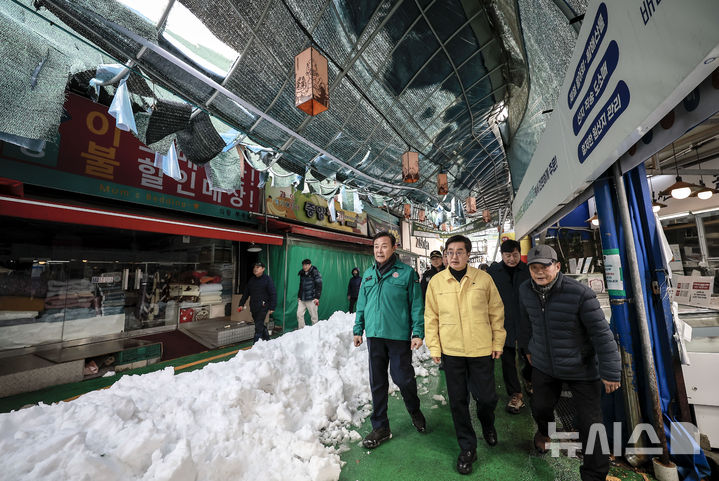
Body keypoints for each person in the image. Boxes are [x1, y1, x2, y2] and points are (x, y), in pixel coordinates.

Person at [518, 244, 621, 481]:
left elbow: (601, 334)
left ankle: (594, 475)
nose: (539, 272)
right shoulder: (525, 290)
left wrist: (611, 371)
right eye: (534, 268)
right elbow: (525, 322)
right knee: (540, 407)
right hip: (544, 364)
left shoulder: (580, 294)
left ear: (557, 266)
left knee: (591, 423)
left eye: (544, 267)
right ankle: (544, 432)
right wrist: (528, 349)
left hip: (581, 368)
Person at [425, 234, 506, 475]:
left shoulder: (483, 279)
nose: (454, 256)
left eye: (460, 252)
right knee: (458, 401)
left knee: (487, 398)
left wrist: (498, 341)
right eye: (450, 252)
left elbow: (496, 312)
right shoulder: (437, 282)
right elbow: (431, 317)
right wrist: (435, 347)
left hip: (481, 349)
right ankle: (467, 447)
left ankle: (487, 423)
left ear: (469, 254)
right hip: (452, 352)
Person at [353, 231, 426, 449]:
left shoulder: (406, 273)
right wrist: (358, 329)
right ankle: (381, 427)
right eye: (376, 246)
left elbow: (416, 305)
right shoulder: (367, 275)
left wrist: (417, 332)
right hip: (374, 336)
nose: (379, 250)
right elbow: (361, 306)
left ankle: (414, 409)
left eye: (384, 246)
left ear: (394, 248)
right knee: (377, 382)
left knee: (402, 378)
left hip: (398, 336)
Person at [487, 239, 532, 414]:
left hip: (525, 322)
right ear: (502, 255)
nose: (512, 259)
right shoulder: (493, 273)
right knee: (507, 360)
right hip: (502, 323)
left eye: (515, 255)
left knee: (530, 356)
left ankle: (529, 379)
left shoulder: (527, 271)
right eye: (508, 255)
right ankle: (515, 394)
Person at [237, 261, 276, 342]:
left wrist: (272, 307)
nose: (255, 269)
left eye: (258, 267)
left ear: (263, 269)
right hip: (254, 306)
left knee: (258, 327)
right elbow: (246, 293)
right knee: (260, 324)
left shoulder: (267, 279)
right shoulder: (252, 280)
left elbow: (273, 293)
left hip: (263, 306)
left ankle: (255, 346)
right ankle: (268, 341)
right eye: (255, 267)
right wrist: (241, 304)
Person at [297, 258, 322, 328]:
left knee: (314, 317)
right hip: (302, 298)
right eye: (303, 265)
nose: (304, 267)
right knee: (299, 314)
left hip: (312, 298)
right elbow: (301, 285)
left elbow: (319, 285)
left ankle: (315, 331)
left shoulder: (315, 272)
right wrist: (299, 296)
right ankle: (301, 330)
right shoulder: (302, 273)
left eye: (306, 265)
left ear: (310, 265)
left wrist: (317, 297)